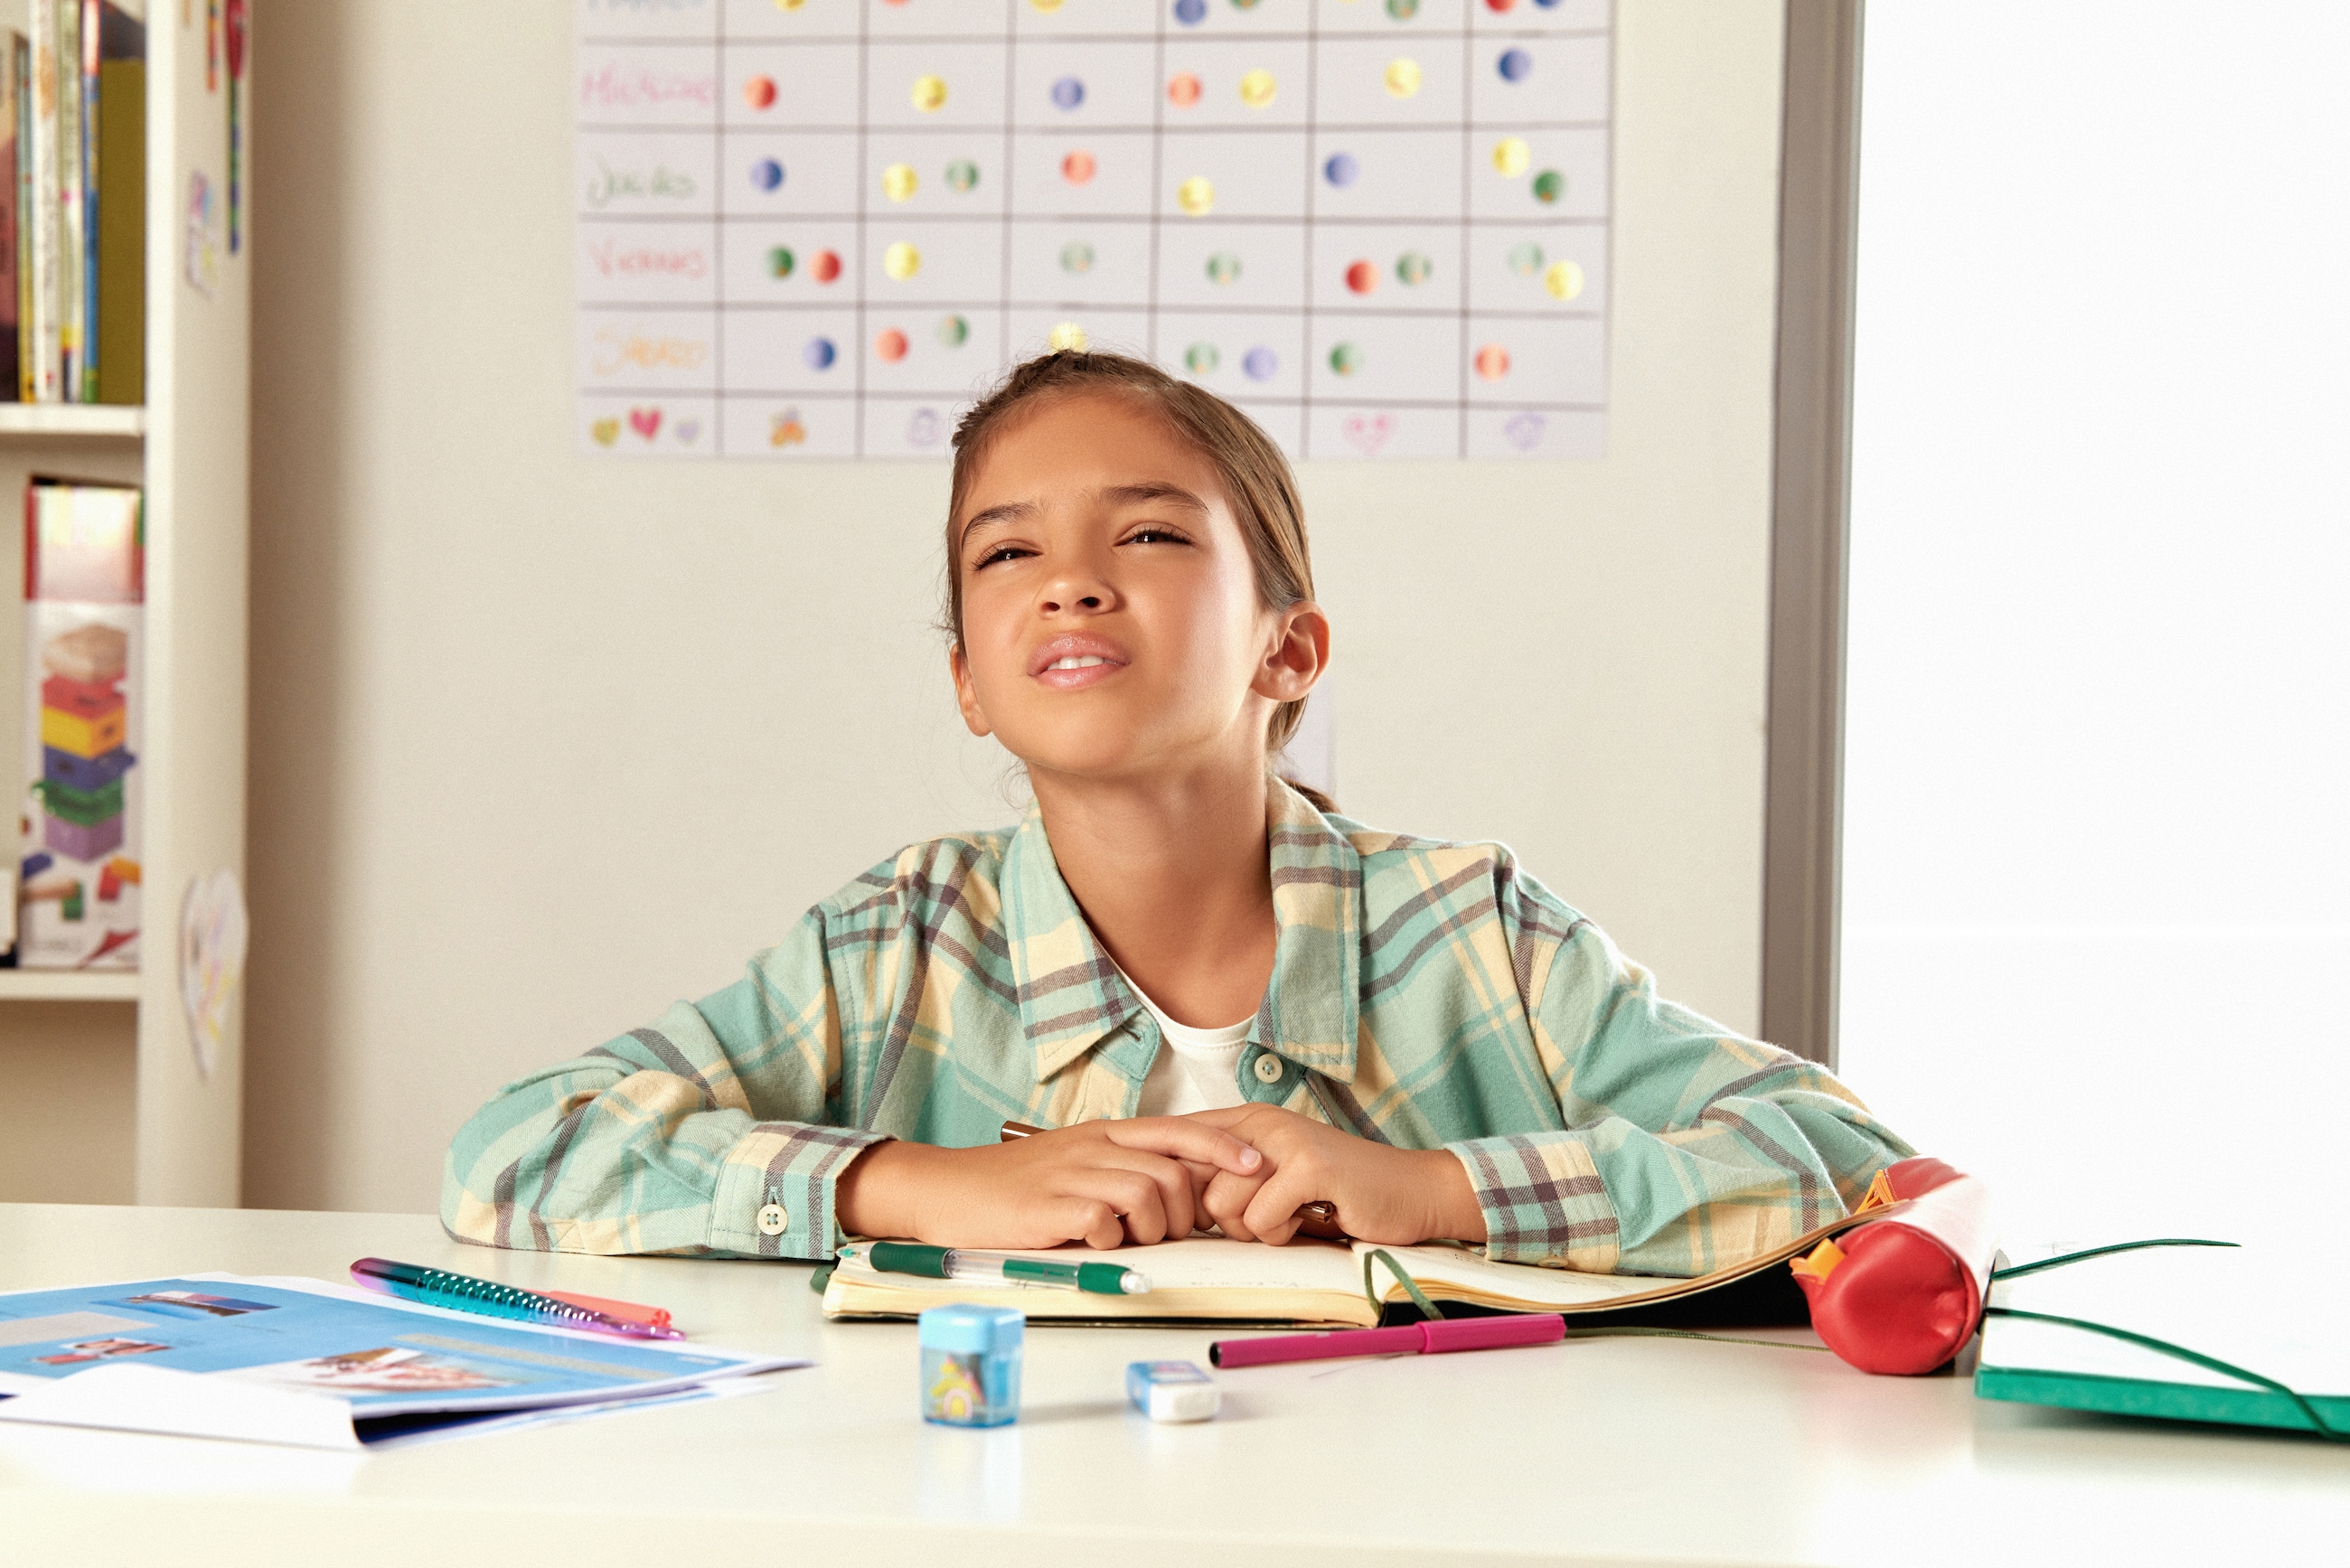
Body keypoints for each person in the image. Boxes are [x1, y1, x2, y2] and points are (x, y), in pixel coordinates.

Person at [443, 351, 1910, 1273]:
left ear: (1290, 650)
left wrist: (1438, 1187)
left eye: (1147, 533)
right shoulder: (898, 943)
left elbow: (1841, 1157)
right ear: (967, 680)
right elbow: (514, 1153)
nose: (1072, 582)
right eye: (1006, 553)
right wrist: (925, 1186)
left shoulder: (1475, 932)